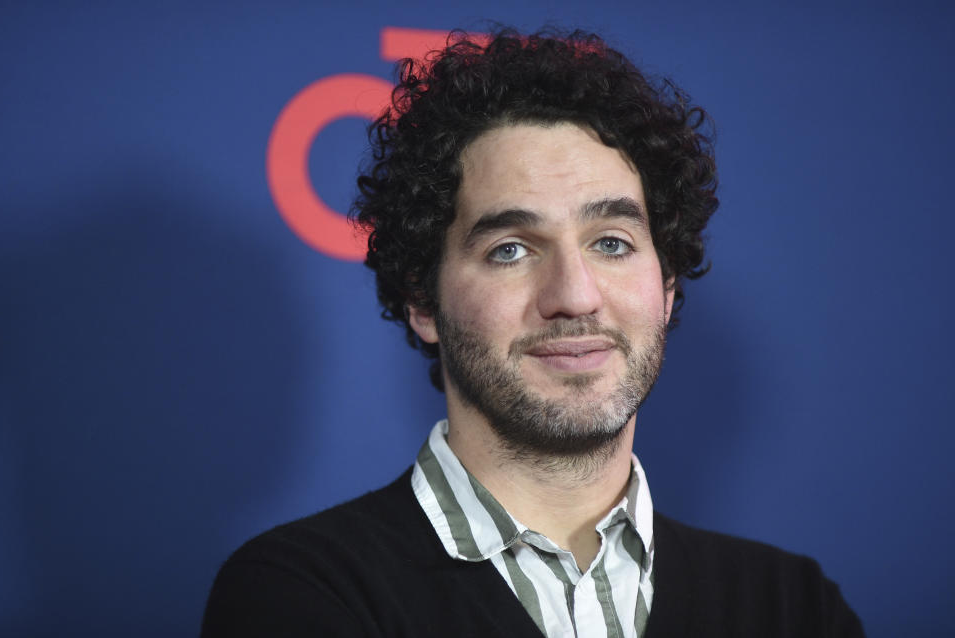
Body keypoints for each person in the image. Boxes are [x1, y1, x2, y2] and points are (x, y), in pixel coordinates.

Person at [202, 28, 864, 637]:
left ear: (666, 288)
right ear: (422, 299)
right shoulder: (302, 594)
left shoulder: (792, 607)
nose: (574, 295)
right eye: (512, 249)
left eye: (611, 242)